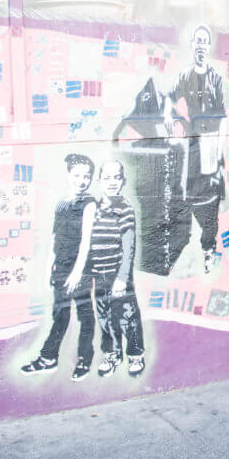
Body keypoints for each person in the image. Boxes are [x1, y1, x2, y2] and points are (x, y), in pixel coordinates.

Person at [21, 153, 98, 382]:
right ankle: (48, 358)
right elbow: (55, 239)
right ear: (68, 175)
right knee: (60, 314)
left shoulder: (90, 203)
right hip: (61, 267)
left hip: (81, 269)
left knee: (85, 314)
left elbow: (86, 240)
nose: (82, 180)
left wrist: (77, 272)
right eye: (77, 175)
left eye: (87, 176)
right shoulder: (62, 204)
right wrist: (48, 270)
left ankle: (85, 359)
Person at [166, 24, 226, 274]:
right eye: (198, 40)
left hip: (210, 142)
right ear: (192, 44)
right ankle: (179, 245)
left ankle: (209, 249)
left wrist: (219, 147)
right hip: (190, 145)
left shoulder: (216, 77)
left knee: (210, 197)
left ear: (209, 46)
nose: (201, 45)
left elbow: (223, 116)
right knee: (185, 194)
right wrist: (169, 118)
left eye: (205, 41)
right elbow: (169, 100)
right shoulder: (184, 75)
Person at [86, 160, 145, 378]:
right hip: (99, 274)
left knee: (127, 315)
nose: (112, 182)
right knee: (103, 314)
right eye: (107, 178)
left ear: (123, 181)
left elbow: (129, 247)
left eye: (116, 177)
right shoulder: (94, 208)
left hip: (118, 273)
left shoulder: (124, 209)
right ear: (99, 181)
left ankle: (135, 353)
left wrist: (122, 278)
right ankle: (111, 352)